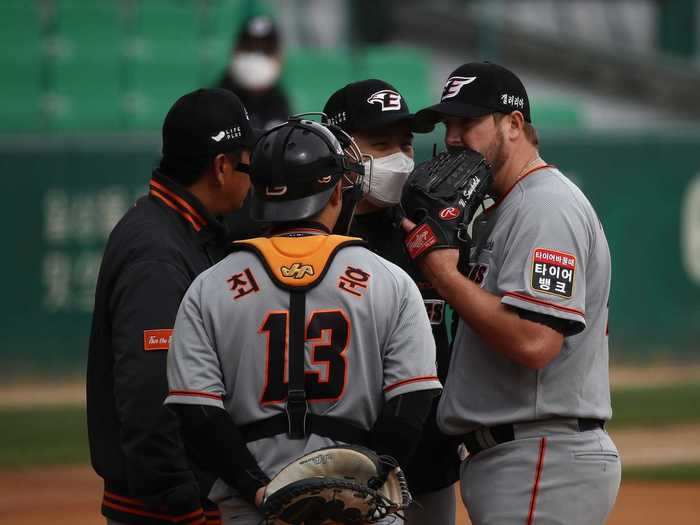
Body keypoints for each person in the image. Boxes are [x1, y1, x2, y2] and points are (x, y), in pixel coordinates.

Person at [164, 118, 442, 524]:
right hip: (362, 511)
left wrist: (257, 490)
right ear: (335, 195)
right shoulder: (391, 281)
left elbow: (199, 415)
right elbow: (409, 405)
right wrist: (363, 484)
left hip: (253, 508)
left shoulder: (210, 286)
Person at [404, 62, 621, 525]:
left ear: (514, 125)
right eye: (448, 125)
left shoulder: (544, 207)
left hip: (541, 455)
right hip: (524, 456)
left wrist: (444, 276)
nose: (454, 137)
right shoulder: (506, 209)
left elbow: (535, 341)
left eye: (469, 122)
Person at [86, 88, 258, 525]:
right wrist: (180, 504)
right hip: (162, 511)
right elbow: (151, 393)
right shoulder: (157, 249)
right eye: (247, 162)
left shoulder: (182, 230)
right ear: (221, 167)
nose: (253, 178)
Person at [323, 79, 461, 525]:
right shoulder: (312, 237)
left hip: (429, 462)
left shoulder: (428, 233)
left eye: (406, 144)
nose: (400, 160)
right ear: (339, 147)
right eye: (380, 144)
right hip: (340, 464)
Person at [217, 14, 290, 130]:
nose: (256, 57)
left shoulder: (280, 104)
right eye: (249, 48)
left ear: (279, 57)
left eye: (266, 50)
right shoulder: (214, 102)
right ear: (235, 50)